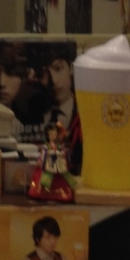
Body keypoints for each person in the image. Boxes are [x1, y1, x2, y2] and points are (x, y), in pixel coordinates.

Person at [41, 43, 82, 173]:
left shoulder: (85, 111)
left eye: (58, 68)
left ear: (71, 68)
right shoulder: (31, 113)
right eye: (44, 73)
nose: (53, 80)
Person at [27, 120, 76, 202]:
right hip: (47, 165)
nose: (53, 136)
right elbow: (42, 155)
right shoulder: (45, 147)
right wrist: (40, 161)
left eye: (55, 134)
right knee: (44, 179)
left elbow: (63, 153)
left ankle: (61, 193)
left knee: (62, 179)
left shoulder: (59, 146)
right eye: (51, 134)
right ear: (48, 135)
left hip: (58, 167)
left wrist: (62, 153)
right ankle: (43, 192)